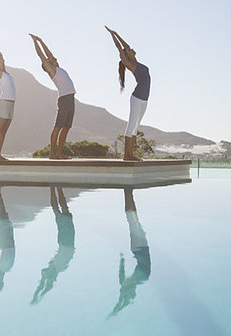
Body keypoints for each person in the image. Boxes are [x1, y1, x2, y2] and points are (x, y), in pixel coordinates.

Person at [105, 27, 151, 161]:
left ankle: (131, 155)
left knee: (136, 127)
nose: (131, 49)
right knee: (131, 125)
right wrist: (113, 35)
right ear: (127, 55)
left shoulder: (137, 62)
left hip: (144, 99)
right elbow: (121, 49)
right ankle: (126, 155)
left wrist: (117, 33)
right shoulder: (129, 64)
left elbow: (125, 46)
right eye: (129, 50)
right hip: (137, 98)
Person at [29, 34, 76, 159]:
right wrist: (35, 42)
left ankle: (59, 153)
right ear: (47, 65)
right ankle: (52, 153)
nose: (52, 58)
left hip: (71, 99)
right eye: (49, 59)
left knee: (66, 128)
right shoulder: (52, 70)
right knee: (58, 126)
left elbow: (49, 54)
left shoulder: (58, 67)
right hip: (64, 99)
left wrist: (41, 40)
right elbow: (42, 55)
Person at [109, 188, 151, 318]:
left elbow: (121, 277)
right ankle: (128, 192)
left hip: (138, 248)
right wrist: (121, 303)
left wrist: (117, 308)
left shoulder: (135, 280)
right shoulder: (142, 278)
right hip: (140, 248)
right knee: (132, 218)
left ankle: (128, 192)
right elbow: (123, 282)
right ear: (132, 290)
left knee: (133, 219)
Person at [31, 186, 75, 304]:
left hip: (65, 242)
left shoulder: (57, 268)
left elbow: (44, 283)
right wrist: (37, 295)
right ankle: (56, 189)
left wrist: (37, 295)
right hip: (67, 242)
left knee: (60, 211)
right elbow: (46, 284)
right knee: (60, 210)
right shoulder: (57, 268)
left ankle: (56, 189)